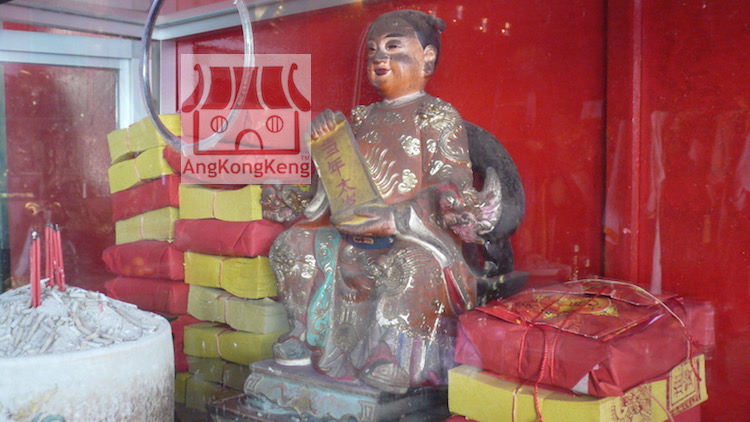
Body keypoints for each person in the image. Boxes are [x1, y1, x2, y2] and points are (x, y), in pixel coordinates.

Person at [269, 9, 489, 394]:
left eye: (393, 47)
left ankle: (387, 353)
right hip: (352, 233)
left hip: (412, 236)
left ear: (427, 58)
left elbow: (450, 184)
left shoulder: (436, 116)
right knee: (293, 244)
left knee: (410, 265)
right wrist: (328, 142)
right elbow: (338, 182)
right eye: (372, 50)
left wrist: (394, 218)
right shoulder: (360, 118)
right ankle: (305, 335)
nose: (379, 58)